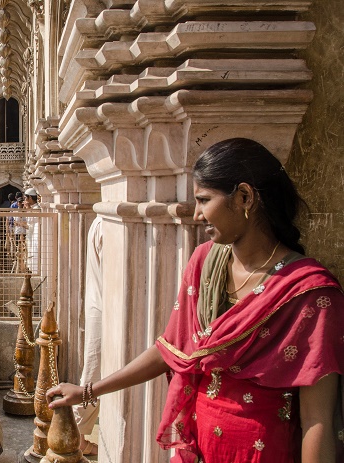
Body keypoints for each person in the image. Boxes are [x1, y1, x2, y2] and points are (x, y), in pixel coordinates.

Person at [47, 138, 344, 462]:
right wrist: (88, 391)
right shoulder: (205, 264)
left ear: (244, 197)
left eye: (204, 200)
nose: (197, 214)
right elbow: (171, 347)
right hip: (201, 451)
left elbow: (319, 420)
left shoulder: (310, 294)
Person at [73, 215, 103, 456]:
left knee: (93, 372)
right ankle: (78, 436)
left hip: (99, 307)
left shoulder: (98, 221)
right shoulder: (107, 225)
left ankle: (78, 435)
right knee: (93, 375)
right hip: (105, 310)